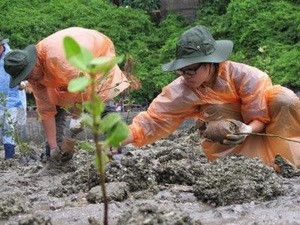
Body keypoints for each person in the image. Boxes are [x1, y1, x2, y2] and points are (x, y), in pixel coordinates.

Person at [122, 25, 300, 169]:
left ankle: (288, 162)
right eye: (181, 70)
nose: (186, 75)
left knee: (284, 100)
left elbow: (259, 116)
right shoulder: (181, 89)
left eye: (191, 69)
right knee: (216, 109)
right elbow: (152, 121)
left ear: (211, 63)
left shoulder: (246, 76)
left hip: (259, 129)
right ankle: (236, 166)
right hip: (228, 140)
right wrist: (116, 141)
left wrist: (246, 129)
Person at [3, 27, 130, 163]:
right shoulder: (35, 77)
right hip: (65, 73)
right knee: (55, 108)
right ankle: (54, 158)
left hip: (96, 55)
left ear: (34, 64)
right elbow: (46, 111)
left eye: (28, 75)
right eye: (25, 78)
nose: (30, 80)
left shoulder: (58, 58)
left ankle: (118, 154)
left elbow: (82, 86)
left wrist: (76, 119)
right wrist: (53, 147)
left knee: (100, 102)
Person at [0, 37, 27, 160]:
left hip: (13, 97)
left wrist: (23, 83)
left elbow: (25, 72)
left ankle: (9, 157)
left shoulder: (12, 57)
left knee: (8, 126)